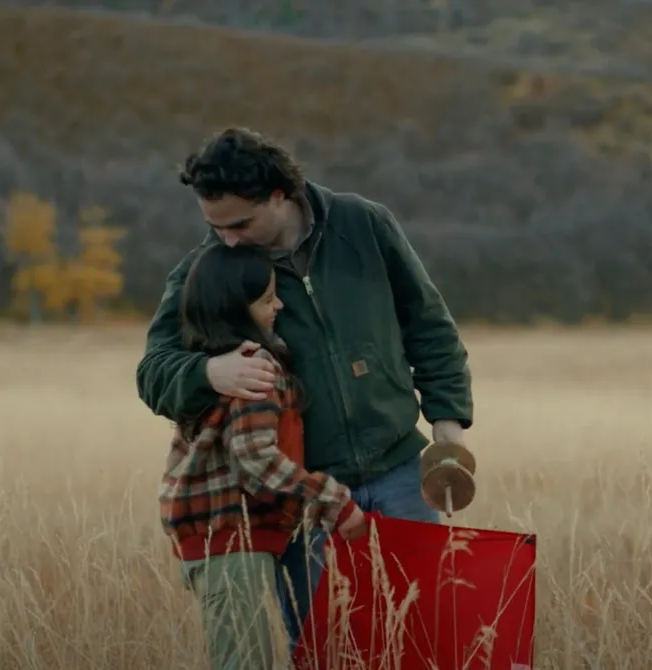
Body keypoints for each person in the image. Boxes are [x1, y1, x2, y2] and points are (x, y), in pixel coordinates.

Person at [136, 127, 475, 653]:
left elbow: (428, 326)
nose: (226, 239)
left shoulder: (363, 224)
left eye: (239, 224)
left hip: (403, 469)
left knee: (426, 640)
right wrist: (208, 374)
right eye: (214, 227)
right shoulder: (210, 270)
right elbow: (153, 370)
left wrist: (448, 429)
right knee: (330, 650)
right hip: (305, 498)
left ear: (279, 193)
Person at [159, 242, 369, 670]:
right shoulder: (254, 366)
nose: (278, 305)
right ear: (236, 307)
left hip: (227, 543)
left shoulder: (220, 362)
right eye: (266, 298)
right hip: (231, 543)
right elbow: (256, 462)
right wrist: (333, 501)